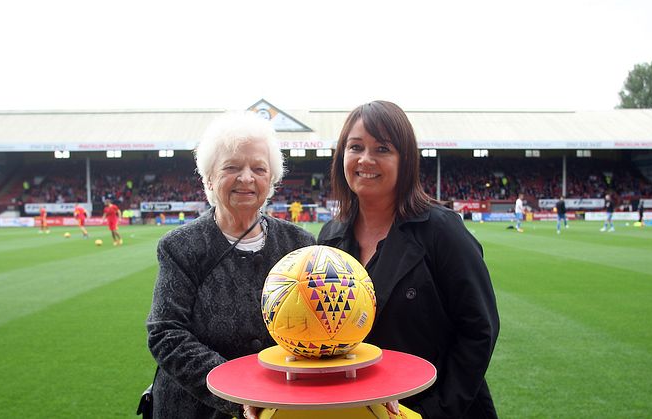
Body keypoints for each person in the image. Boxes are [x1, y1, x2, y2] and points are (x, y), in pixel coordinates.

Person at [317, 101, 499, 418]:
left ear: (406, 160)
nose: (365, 159)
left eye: (382, 149)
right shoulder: (331, 237)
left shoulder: (441, 231)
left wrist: (434, 411)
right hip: (357, 409)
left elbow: (479, 330)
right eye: (355, 147)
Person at [146, 112, 315, 419]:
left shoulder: (301, 244)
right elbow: (166, 332)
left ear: (272, 179)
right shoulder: (181, 246)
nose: (247, 178)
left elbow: (325, 325)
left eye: (259, 168)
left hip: (281, 406)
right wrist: (239, 393)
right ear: (209, 178)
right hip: (194, 409)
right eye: (232, 167)